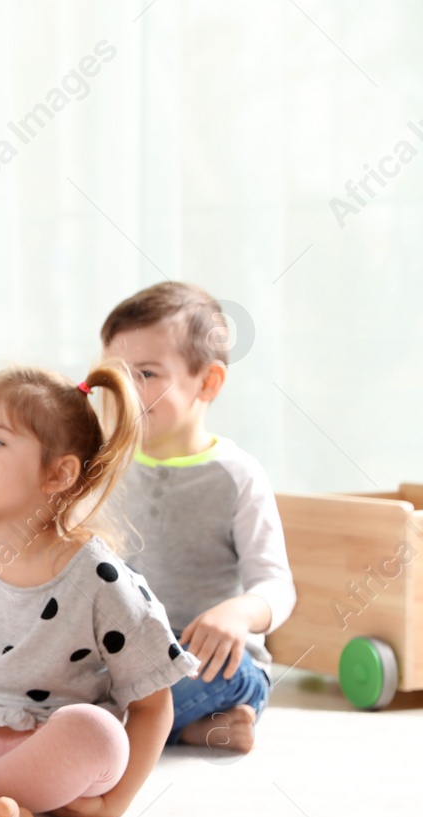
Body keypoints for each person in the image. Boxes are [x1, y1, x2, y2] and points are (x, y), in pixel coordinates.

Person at [0, 364, 198, 817]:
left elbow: (153, 703)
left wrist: (117, 801)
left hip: (50, 750)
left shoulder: (99, 578)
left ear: (59, 473)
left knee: (100, 735)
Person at [101, 281, 295, 754]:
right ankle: (191, 729)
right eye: (115, 374)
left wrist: (238, 613)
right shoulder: (105, 465)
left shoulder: (237, 475)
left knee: (109, 709)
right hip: (126, 662)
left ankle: (124, 731)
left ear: (207, 383)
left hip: (209, 662)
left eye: (145, 373)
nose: (127, 390)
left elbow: (276, 585)